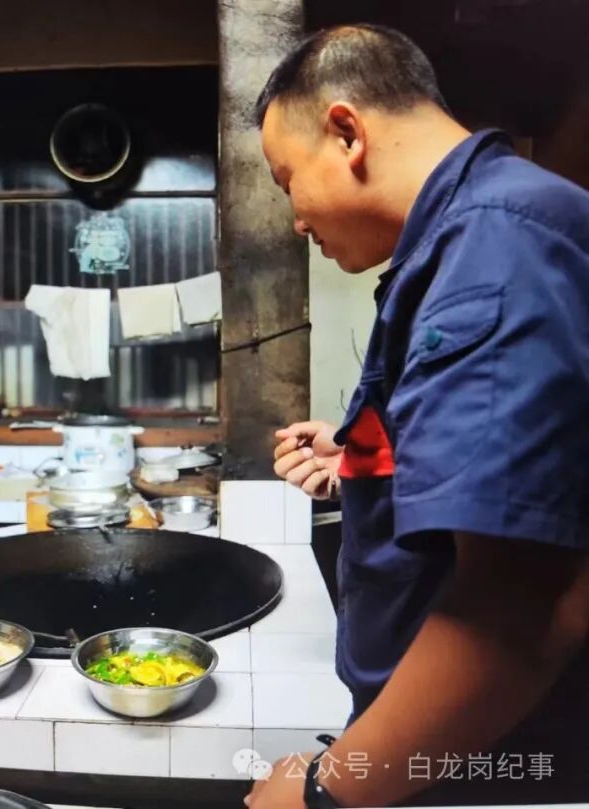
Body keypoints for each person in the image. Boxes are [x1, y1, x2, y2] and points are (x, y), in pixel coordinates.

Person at [246, 24, 588, 808]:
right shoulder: (475, 235)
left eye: (287, 180)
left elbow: (521, 608)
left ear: (346, 133)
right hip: (454, 747)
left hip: (487, 756)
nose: (296, 219)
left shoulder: (497, 250)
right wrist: (360, 455)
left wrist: (325, 792)